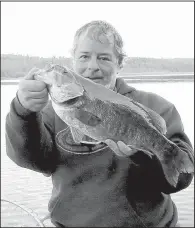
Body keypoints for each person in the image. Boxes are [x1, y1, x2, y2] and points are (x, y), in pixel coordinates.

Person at [6, 20, 194, 227]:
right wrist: (23, 112)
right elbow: (32, 161)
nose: (92, 66)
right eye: (84, 57)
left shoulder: (157, 107)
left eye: (104, 58)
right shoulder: (47, 113)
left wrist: (142, 155)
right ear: (74, 62)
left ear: (119, 63)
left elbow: (181, 180)